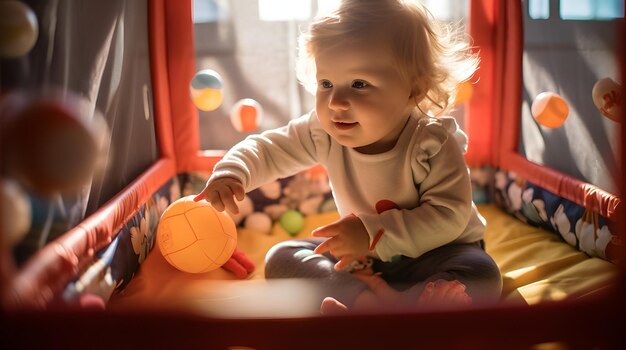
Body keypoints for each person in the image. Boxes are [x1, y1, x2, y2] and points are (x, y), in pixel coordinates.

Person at [194, 0, 502, 314]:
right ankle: (368, 306)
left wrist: (371, 234)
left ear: (414, 90)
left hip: (440, 255)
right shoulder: (322, 132)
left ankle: (406, 308)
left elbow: (449, 216)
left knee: (482, 275)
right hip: (363, 260)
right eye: (326, 83)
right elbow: (268, 149)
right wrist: (233, 171)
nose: (337, 101)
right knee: (282, 258)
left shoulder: (431, 142)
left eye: (359, 84)